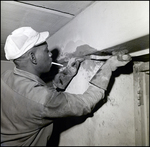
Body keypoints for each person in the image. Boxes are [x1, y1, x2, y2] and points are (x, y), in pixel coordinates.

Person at [1, 27, 132, 146]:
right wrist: (108, 67)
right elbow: (85, 104)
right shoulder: (40, 100)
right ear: (33, 57)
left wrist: (66, 75)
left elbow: (35, 98)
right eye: (46, 51)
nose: (50, 54)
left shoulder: (5, 77)